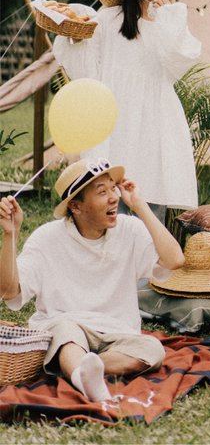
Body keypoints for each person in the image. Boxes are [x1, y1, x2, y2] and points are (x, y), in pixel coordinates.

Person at [0, 159, 185, 402]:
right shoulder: (46, 238)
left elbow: (174, 260)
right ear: (75, 207)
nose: (113, 197)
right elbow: (9, 291)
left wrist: (140, 206)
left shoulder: (129, 229)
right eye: (101, 192)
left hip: (116, 332)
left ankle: (82, 370)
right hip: (66, 327)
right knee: (65, 333)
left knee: (153, 350)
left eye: (112, 188)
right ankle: (83, 374)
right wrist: (9, 234)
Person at [53, 0, 202, 219]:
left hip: (155, 120)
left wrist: (169, 16)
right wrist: (74, 33)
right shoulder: (109, 19)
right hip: (116, 118)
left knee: (150, 193)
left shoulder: (168, 20)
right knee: (113, 194)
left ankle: (148, 257)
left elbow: (179, 59)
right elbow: (85, 63)